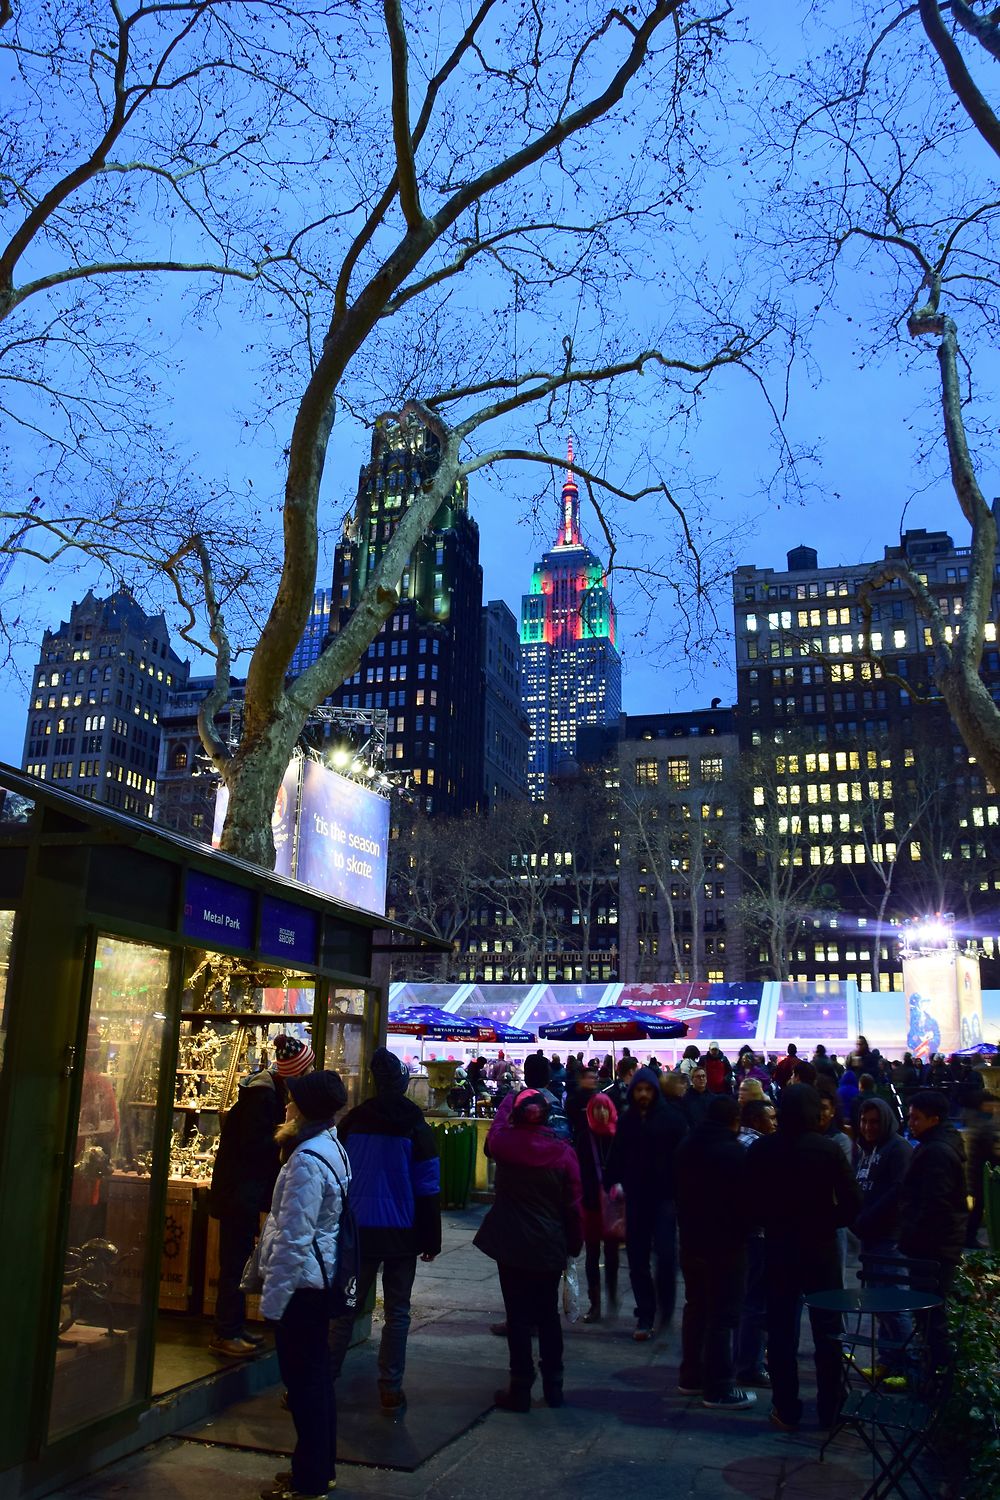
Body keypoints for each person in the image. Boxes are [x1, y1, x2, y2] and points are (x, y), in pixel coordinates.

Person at [328, 1048, 441, 1415]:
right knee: (398, 1313)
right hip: (401, 1234)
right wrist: (430, 1238)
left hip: (358, 1233)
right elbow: (428, 1187)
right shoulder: (416, 1127)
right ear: (404, 1085)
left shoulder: (352, 1122)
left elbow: (339, 1177)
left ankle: (322, 1381)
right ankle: (390, 1388)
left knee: (344, 1309)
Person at [747, 1083, 862, 1432]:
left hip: (780, 1247)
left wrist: (771, 1220)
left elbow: (745, 1199)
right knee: (828, 1332)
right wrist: (827, 1221)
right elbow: (853, 1203)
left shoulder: (764, 1148)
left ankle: (786, 1407)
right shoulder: (827, 1149)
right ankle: (830, 1409)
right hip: (821, 1249)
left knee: (782, 1331)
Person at [258, 1070, 349, 1500]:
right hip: (319, 1278)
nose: (287, 1104)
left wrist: (273, 1301)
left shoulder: (306, 1161)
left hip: (303, 1286)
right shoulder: (330, 1146)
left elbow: (294, 1235)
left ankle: (309, 1481)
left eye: (292, 1099)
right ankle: (316, 1470)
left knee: (305, 1386)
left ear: (305, 1108)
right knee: (315, 1382)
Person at [475, 1089, 583, 1411]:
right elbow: (574, 1206)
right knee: (548, 1315)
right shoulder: (563, 1154)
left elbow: (494, 1132)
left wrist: (511, 1097)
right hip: (548, 1244)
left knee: (518, 1317)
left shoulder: (505, 1144)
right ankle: (554, 1387)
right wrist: (574, 1243)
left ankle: (520, 1388)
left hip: (511, 1242)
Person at [207, 1032, 312, 1357]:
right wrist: (287, 1134)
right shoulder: (262, 1099)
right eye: (306, 1071)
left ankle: (234, 1327)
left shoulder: (265, 1095)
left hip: (243, 1194)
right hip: (239, 1196)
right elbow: (254, 1149)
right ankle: (227, 1332)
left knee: (239, 1262)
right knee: (235, 1263)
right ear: (294, 1072)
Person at [675, 1095, 756, 1410]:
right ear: (734, 1120)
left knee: (695, 1307)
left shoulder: (686, 1146)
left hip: (692, 1240)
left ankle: (691, 1376)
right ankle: (719, 1386)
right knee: (723, 1315)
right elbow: (746, 1202)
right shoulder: (733, 1153)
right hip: (725, 1244)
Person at [603, 1066, 687, 1340]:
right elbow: (617, 1155)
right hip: (636, 1198)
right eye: (639, 1089)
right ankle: (645, 1314)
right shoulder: (628, 1121)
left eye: (647, 1090)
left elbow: (683, 1156)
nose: (643, 1094)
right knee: (638, 1259)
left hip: (664, 1198)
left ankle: (664, 1308)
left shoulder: (672, 1119)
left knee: (665, 1256)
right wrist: (610, 1182)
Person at [897, 1089, 968, 1367]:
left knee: (930, 1317)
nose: (910, 1123)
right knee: (931, 1316)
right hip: (938, 1246)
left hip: (932, 1250)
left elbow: (934, 1204)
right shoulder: (939, 1145)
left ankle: (937, 1377)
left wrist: (911, 1235)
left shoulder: (936, 1152)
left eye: (916, 1118)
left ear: (934, 1119)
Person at [853, 1097, 913, 1380]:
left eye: (874, 1122)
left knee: (893, 1304)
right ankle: (888, 1359)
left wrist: (867, 1218)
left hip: (890, 1237)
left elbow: (898, 1191)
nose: (868, 1127)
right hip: (870, 1235)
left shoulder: (898, 1149)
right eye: (864, 1121)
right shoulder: (867, 1148)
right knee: (879, 1303)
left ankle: (908, 1367)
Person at [735, 1098, 775, 1387]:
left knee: (742, 1299)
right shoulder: (761, 1147)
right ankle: (750, 1365)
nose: (774, 1123)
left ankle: (741, 1360)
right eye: (770, 1118)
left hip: (737, 1233)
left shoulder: (734, 1143)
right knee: (756, 1302)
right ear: (756, 1120)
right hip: (758, 1232)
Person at [576, 1090, 621, 1322]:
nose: (601, 1113)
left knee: (612, 1254)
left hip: (613, 1204)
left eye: (605, 1108)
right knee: (592, 1254)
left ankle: (612, 1295)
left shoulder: (619, 1136)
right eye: (597, 1108)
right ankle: (595, 1303)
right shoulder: (585, 1137)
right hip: (591, 1203)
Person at [523, 1053, 572, 1142]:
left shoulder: (514, 1100)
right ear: (547, 1077)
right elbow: (562, 1136)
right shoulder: (551, 1103)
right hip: (544, 1152)